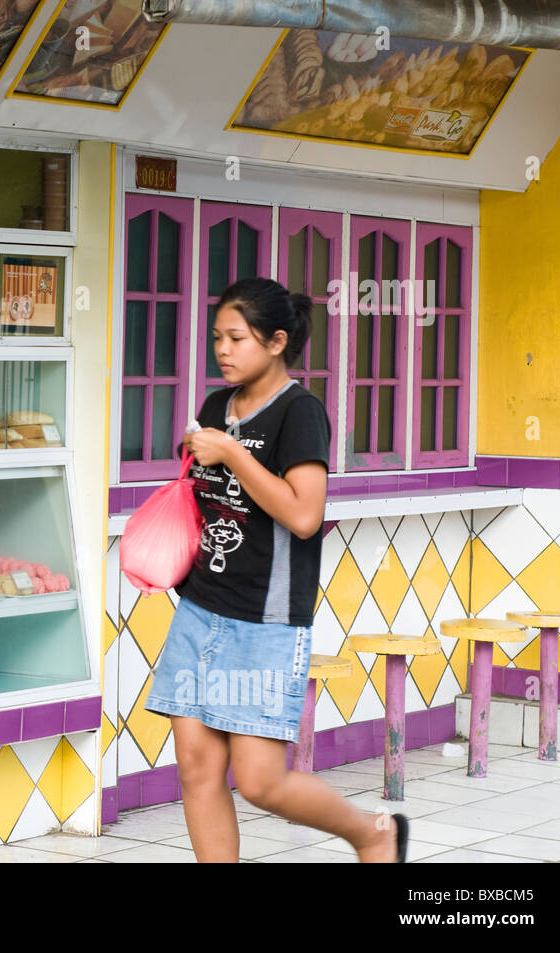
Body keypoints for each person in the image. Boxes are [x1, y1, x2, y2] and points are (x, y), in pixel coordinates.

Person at [142, 277, 408, 863]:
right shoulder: (217, 406)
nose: (223, 349)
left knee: (260, 781)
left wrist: (233, 453)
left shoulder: (300, 412)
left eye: (237, 337)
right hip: (199, 607)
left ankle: (372, 832)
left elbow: (305, 515)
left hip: (265, 620)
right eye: (217, 337)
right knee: (195, 767)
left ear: (276, 341)